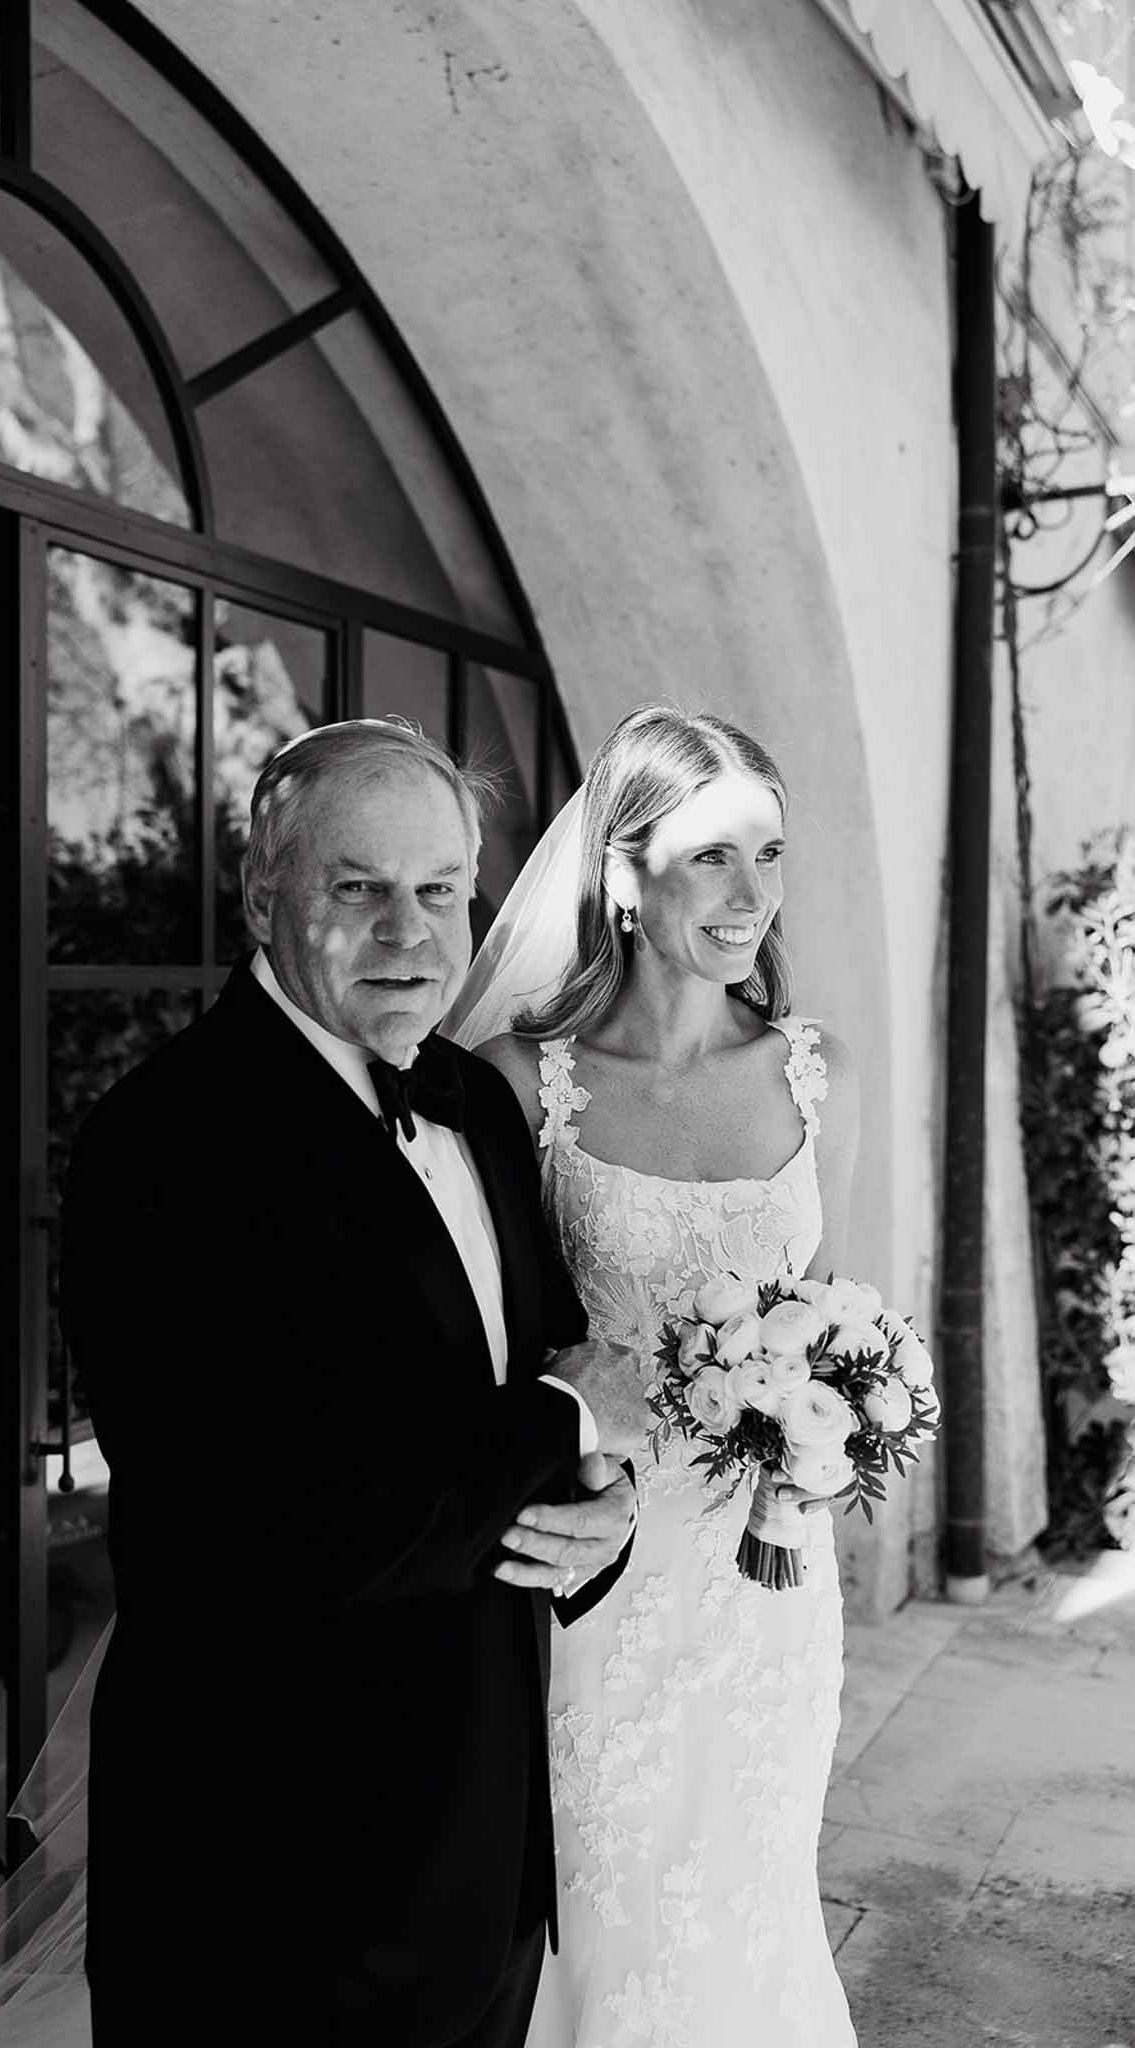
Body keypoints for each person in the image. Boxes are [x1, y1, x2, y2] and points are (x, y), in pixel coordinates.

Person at [0, 718, 648, 2048]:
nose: (411, 933)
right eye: (357, 887)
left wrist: (596, 1518)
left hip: (486, 1849)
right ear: (262, 894)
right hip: (274, 1885)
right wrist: (570, 1417)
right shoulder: (167, 1143)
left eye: (441, 890)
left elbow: (554, 1388)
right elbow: (285, 1530)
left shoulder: (476, 1103)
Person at [445, 703, 861, 2048]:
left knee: (747, 1898)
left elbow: (829, 1318)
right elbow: (472, 1366)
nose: (752, 897)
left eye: (769, 856)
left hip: (768, 1592)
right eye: (711, 860)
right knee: (606, 1915)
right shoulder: (521, 1086)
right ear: (623, 876)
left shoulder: (811, 1077)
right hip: (594, 1588)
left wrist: (841, 1420)